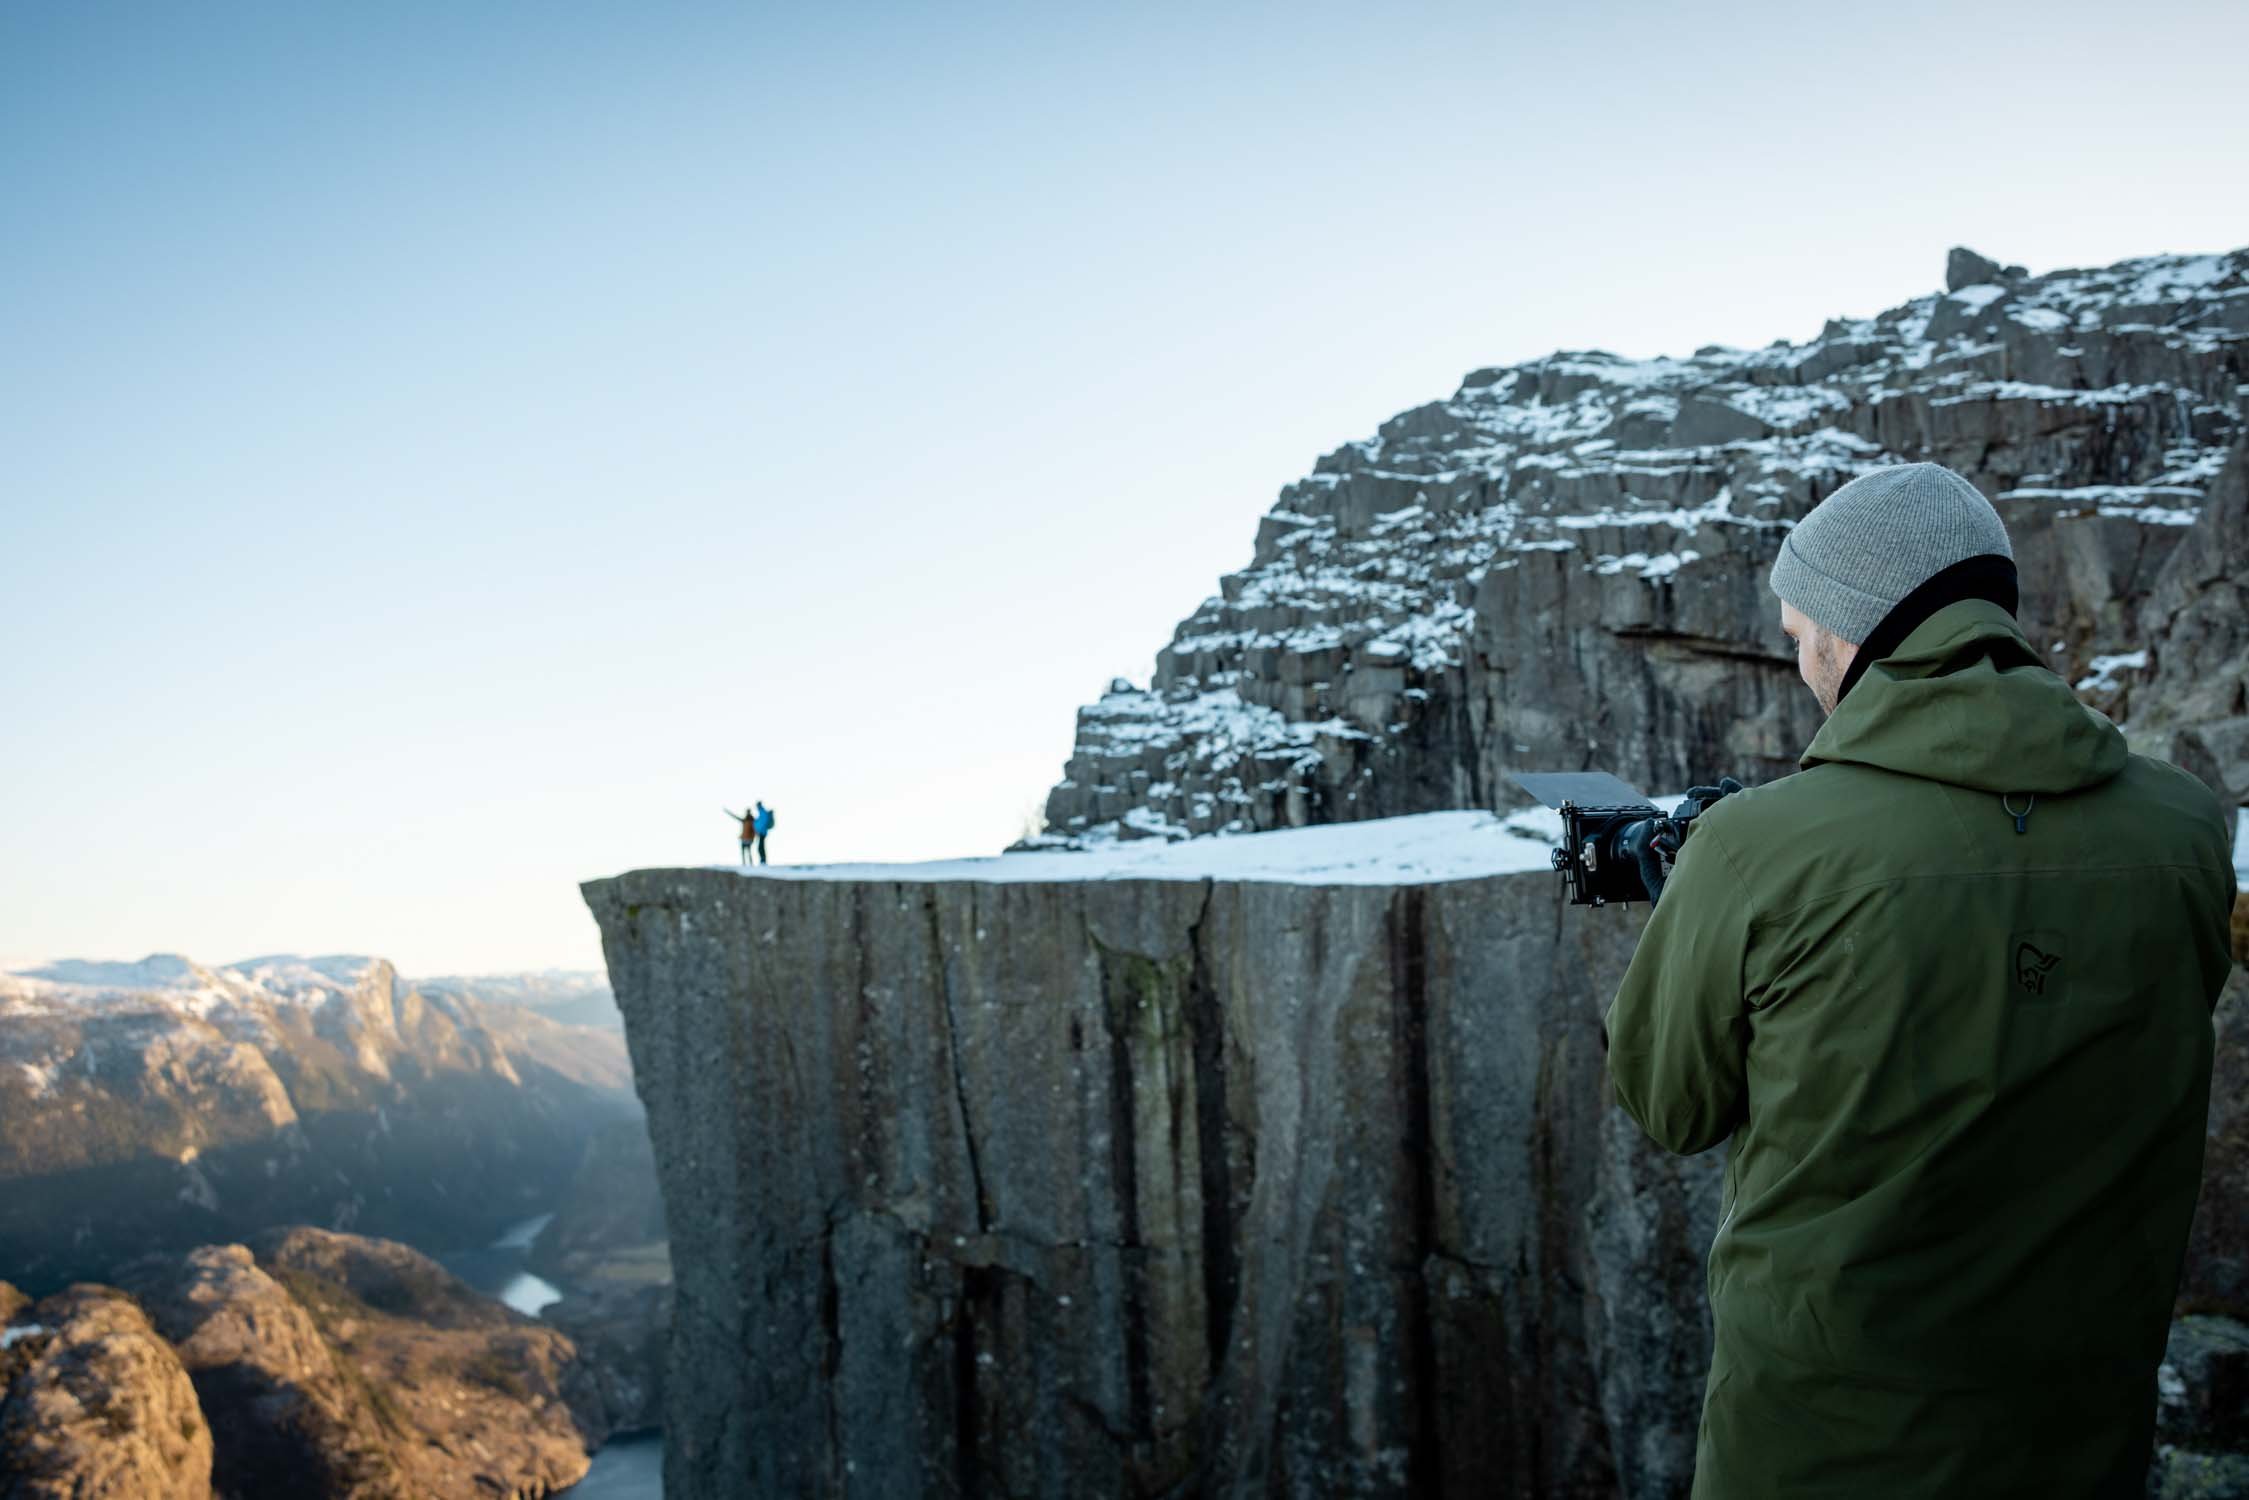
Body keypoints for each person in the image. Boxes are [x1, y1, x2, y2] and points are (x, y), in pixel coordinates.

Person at [1603, 462, 2234, 1498]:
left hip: (1818, 1448)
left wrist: (1699, 906)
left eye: (1800, 634)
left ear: (1853, 633)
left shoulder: (1755, 846)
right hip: (2077, 1434)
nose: (1798, 662)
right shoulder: (2182, 827)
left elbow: (1669, 1103)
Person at [752, 800, 774, 864]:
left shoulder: (762, 812)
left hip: (762, 832)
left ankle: (763, 860)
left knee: (761, 847)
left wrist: (759, 831)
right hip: (761, 832)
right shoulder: (761, 812)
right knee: (761, 847)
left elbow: (762, 823)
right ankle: (762, 860)